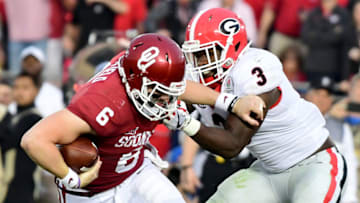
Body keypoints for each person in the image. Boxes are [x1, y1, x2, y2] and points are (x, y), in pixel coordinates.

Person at [20, 33, 265, 203]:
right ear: (134, 82)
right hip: (92, 192)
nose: (166, 102)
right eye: (159, 94)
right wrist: (70, 177)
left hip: (136, 171)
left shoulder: (146, 77)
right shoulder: (102, 104)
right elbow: (34, 139)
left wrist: (231, 102)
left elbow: (179, 87)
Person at [165, 8, 347, 203]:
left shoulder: (254, 67)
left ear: (232, 47)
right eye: (196, 54)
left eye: (206, 53)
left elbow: (232, 144)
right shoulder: (201, 75)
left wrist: (184, 122)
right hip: (268, 172)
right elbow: (172, 95)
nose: (199, 62)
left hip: (313, 164)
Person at [2, 72, 42, 203]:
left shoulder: (34, 119)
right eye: (16, 87)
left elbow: (9, 140)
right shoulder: (13, 117)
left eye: (25, 88)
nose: (19, 92)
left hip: (23, 187)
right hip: (9, 186)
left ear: (36, 90)